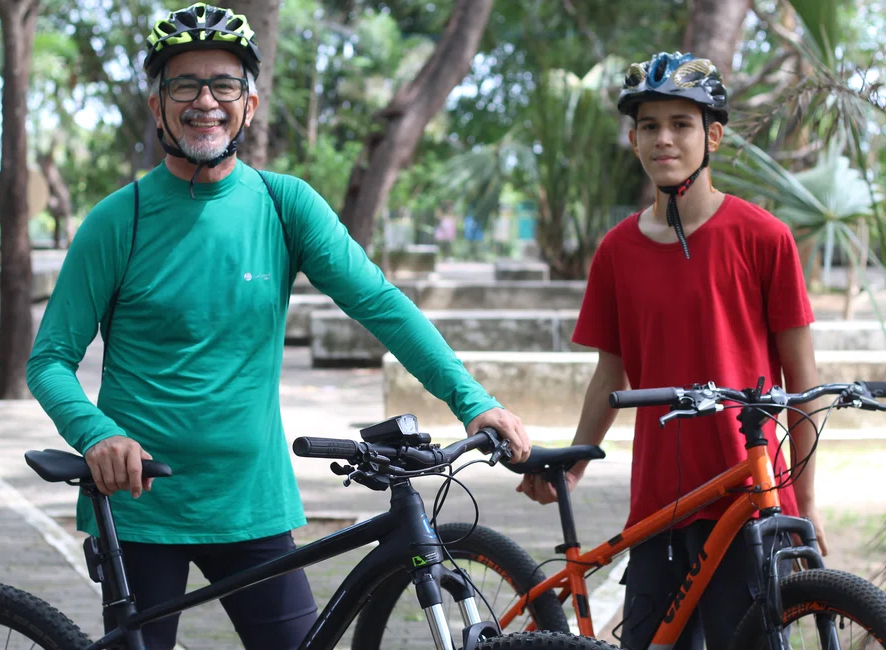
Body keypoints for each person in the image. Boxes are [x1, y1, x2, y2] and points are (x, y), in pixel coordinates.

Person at [26, 4, 532, 649]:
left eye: (224, 85)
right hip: (140, 509)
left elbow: (379, 303)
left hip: (252, 504)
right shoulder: (115, 221)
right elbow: (49, 359)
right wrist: (97, 434)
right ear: (157, 104)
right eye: (184, 84)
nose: (204, 101)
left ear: (250, 103)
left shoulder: (283, 203)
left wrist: (474, 401)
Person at [515, 51, 825, 650]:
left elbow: (802, 380)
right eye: (649, 126)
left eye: (681, 124)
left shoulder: (765, 237)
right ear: (634, 140)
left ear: (712, 136)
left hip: (749, 501)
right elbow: (612, 368)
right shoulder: (616, 251)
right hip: (659, 504)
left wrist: (805, 504)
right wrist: (576, 462)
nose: (664, 139)